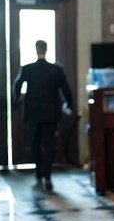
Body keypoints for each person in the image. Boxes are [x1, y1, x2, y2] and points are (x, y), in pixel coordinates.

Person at [14, 40, 73, 191]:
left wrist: (19, 97)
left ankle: (39, 172)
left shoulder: (28, 69)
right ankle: (47, 174)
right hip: (50, 112)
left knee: (34, 142)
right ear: (46, 50)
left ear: (36, 50)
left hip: (32, 112)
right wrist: (69, 105)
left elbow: (17, 84)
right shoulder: (56, 70)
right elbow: (66, 89)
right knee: (49, 144)